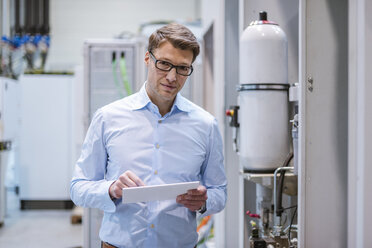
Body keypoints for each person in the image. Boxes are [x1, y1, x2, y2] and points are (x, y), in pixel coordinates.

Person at [70, 23, 227, 248]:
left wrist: (204, 201)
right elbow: (78, 187)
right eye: (164, 64)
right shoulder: (108, 118)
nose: (172, 77)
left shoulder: (205, 125)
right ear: (147, 59)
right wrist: (111, 188)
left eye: (183, 68)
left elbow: (219, 192)